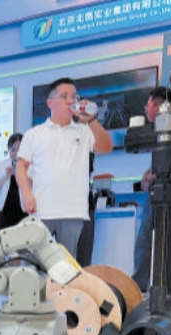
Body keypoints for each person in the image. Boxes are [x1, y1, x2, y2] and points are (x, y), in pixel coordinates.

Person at [16, 77, 113, 259]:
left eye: (74, 97)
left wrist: (91, 120)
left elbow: (106, 147)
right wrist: (26, 194)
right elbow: (21, 167)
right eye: (64, 96)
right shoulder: (34, 134)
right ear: (50, 102)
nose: (70, 101)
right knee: (35, 263)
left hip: (73, 211)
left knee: (67, 265)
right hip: (42, 209)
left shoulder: (84, 131)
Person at [131, 86, 171, 291]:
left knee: (146, 243)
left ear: (158, 107)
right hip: (154, 195)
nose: (145, 109)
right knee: (146, 243)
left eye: (148, 105)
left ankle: (142, 286)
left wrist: (154, 177)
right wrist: (148, 175)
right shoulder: (158, 134)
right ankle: (143, 286)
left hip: (165, 196)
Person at [0, 132, 28, 233]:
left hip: (23, 210)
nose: (16, 153)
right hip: (4, 210)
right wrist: (6, 175)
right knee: (2, 238)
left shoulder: (29, 165)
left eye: (19, 149)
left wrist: (21, 174)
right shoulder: (1, 165)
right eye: (13, 150)